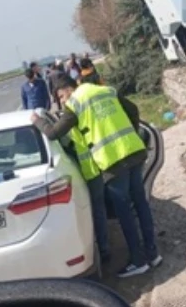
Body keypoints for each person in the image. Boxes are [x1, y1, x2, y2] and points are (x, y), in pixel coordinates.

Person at [33, 77, 161, 278]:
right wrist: (131, 134)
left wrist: (37, 121)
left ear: (67, 89)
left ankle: (138, 261)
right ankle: (153, 254)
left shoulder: (75, 104)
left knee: (124, 212)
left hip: (113, 161)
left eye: (61, 96)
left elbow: (53, 133)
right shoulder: (105, 91)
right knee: (140, 204)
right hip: (134, 151)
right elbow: (133, 109)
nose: (63, 101)